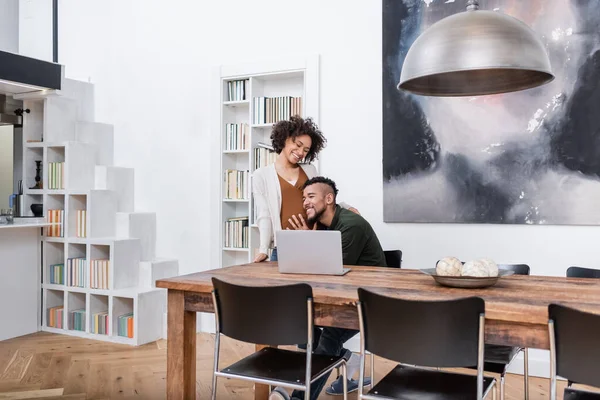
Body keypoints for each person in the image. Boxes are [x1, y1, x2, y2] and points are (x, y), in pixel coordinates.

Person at [270, 176, 386, 400]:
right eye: (304, 198)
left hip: (367, 301)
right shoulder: (324, 226)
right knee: (306, 331)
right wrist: (308, 240)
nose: (305, 202)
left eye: (311, 196)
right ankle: (346, 358)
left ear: (329, 198)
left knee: (329, 337)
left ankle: (297, 397)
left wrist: (308, 241)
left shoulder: (351, 225)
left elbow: (329, 271)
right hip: (341, 295)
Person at [252, 116, 358, 263]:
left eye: (306, 150)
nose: (301, 152)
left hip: (313, 242)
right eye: (298, 144)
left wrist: (346, 208)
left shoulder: (310, 170)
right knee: (280, 286)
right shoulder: (261, 175)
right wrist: (263, 249)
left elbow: (323, 199)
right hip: (284, 247)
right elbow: (264, 214)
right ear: (285, 138)